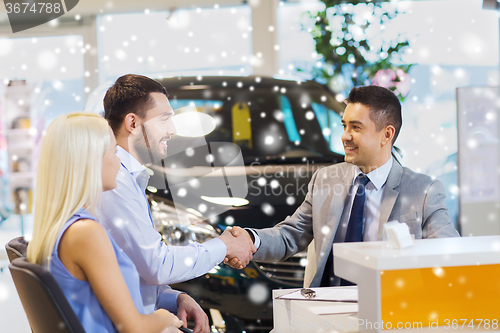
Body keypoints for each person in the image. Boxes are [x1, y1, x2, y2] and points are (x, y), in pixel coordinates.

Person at [228, 85, 460, 287]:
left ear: (386, 135)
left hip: (388, 308)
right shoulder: (325, 179)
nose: (345, 136)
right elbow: (291, 235)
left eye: (356, 128)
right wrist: (251, 239)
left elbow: (448, 251)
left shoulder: (424, 190)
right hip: (325, 306)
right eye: (344, 126)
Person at [97, 74, 255, 333]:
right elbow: (155, 265)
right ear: (133, 123)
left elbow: (136, 271)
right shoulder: (114, 183)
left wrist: (173, 298)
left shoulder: (129, 177)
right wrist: (223, 245)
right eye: (164, 119)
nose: (173, 129)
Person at [27, 112, 184, 332]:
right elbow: (134, 327)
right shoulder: (85, 233)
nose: (119, 161)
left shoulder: (65, 227)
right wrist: (165, 318)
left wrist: (173, 299)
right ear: (89, 161)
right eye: (113, 152)